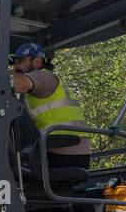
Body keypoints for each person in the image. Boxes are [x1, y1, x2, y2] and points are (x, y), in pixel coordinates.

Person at [8, 41, 93, 170]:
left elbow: (19, 84)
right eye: (14, 62)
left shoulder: (43, 77)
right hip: (59, 149)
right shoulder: (34, 84)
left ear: (37, 61)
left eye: (20, 61)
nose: (15, 67)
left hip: (65, 152)